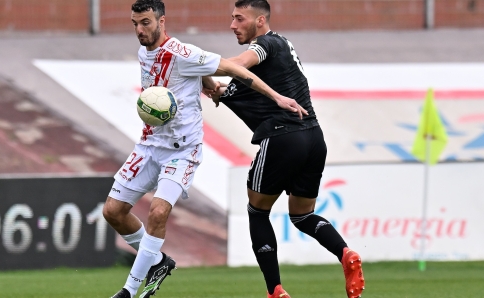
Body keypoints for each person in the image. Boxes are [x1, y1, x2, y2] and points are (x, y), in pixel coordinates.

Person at [102, 1, 307, 298]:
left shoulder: (182, 52)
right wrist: (207, 83)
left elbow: (233, 68)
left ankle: (129, 291)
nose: (139, 30)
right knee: (113, 211)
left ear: (161, 22)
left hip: (183, 150)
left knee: (158, 212)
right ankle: (158, 261)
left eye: (145, 22)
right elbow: (189, 74)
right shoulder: (143, 53)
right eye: (135, 23)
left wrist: (276, 97)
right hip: (149, 144)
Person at [206, 1, 366, 298]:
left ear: (260, 20)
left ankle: (275, 290)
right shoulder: (278, 56)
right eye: (232, 18)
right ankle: (345, 253)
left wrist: (200, 62)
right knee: (303, 215)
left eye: (239, 18)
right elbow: (228, 87)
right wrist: (208, 82)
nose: (232, 25)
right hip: (314, 138)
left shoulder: (266, 43)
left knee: (257, 210)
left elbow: (240, 63)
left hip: (284, 138)